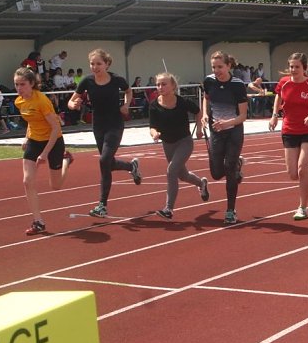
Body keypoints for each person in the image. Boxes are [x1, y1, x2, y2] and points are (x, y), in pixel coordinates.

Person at [67, 48, 141, 218]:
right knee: (107, 163)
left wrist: (126, 104)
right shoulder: (87, 81)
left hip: (115, 124)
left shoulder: (116, 80)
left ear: (107, 64)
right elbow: (71, 101)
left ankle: (102, 205)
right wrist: (74, 105)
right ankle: (131, 166)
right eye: (92, 64)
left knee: (104, 160)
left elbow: (129, 91)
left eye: (98, 64)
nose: (95, 67)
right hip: (98, 125)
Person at [13, 67, 74, 235]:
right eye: (16, 84)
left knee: (55, 186)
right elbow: (31, 121)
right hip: (34, 141)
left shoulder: (42, 101)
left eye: (22, 84)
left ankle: (66, 160)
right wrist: (27, 137)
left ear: (32, 84)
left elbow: (55, 128)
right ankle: (38, 221)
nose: (19, 88)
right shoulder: (19, 101)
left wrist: (45, 153)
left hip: (53, 141)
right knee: (27, 181)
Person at [268, 52, 308, 220]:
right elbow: (278, 97)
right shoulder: (284, 83)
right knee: (293, 174)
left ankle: (303, 207)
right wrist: (274, 115)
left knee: (300, 169)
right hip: (289, 129)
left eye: (297, 67)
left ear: (305, 68)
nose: (293, 70)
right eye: (291, 67)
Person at [148, 72, 209, 220]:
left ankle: (168, 209)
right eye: (158, 84)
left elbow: (198, 112)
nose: (160, 87)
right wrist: (154, 133)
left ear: (173, 86)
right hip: (167, 144)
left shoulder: (181, 102)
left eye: (164, 84)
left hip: (184, 142)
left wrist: (200, 129)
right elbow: (152, 126)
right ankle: (201, 183)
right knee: (182, 175)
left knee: (171, 171)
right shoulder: (154, 105)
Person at [201, 51, 248, 225]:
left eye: (220, 67)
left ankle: (230, 210)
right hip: (216, 131)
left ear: (229, 66)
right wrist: (205, 115)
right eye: (214, 67)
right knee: (215, 173)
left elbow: (243, 116)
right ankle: (238, 164)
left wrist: (227, 122)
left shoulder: (237, 85)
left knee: (229, 169)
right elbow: (206, 99)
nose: (216, 70)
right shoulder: (209, 81)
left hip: (234, 130)